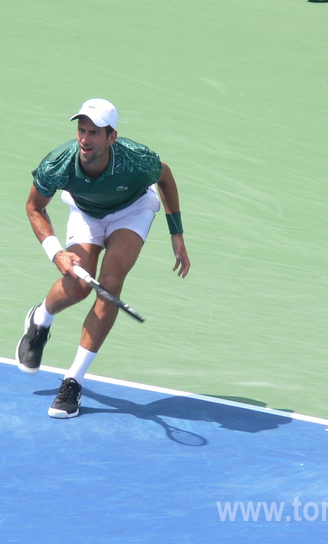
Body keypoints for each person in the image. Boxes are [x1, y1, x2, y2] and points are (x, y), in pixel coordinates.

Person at [16, 98, 191, 418]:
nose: (84, 138)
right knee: (78, 286)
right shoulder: (59, 163)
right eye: (82, 130)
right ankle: (40, 319)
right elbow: (34, 207)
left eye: (94, 133)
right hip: (86, 213)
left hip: (132, 211)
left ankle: (73, 381)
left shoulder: (136, 160)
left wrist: (176, 233)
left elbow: (164, 176)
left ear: (112, 137)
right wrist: (56, 252)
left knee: (109, 286)